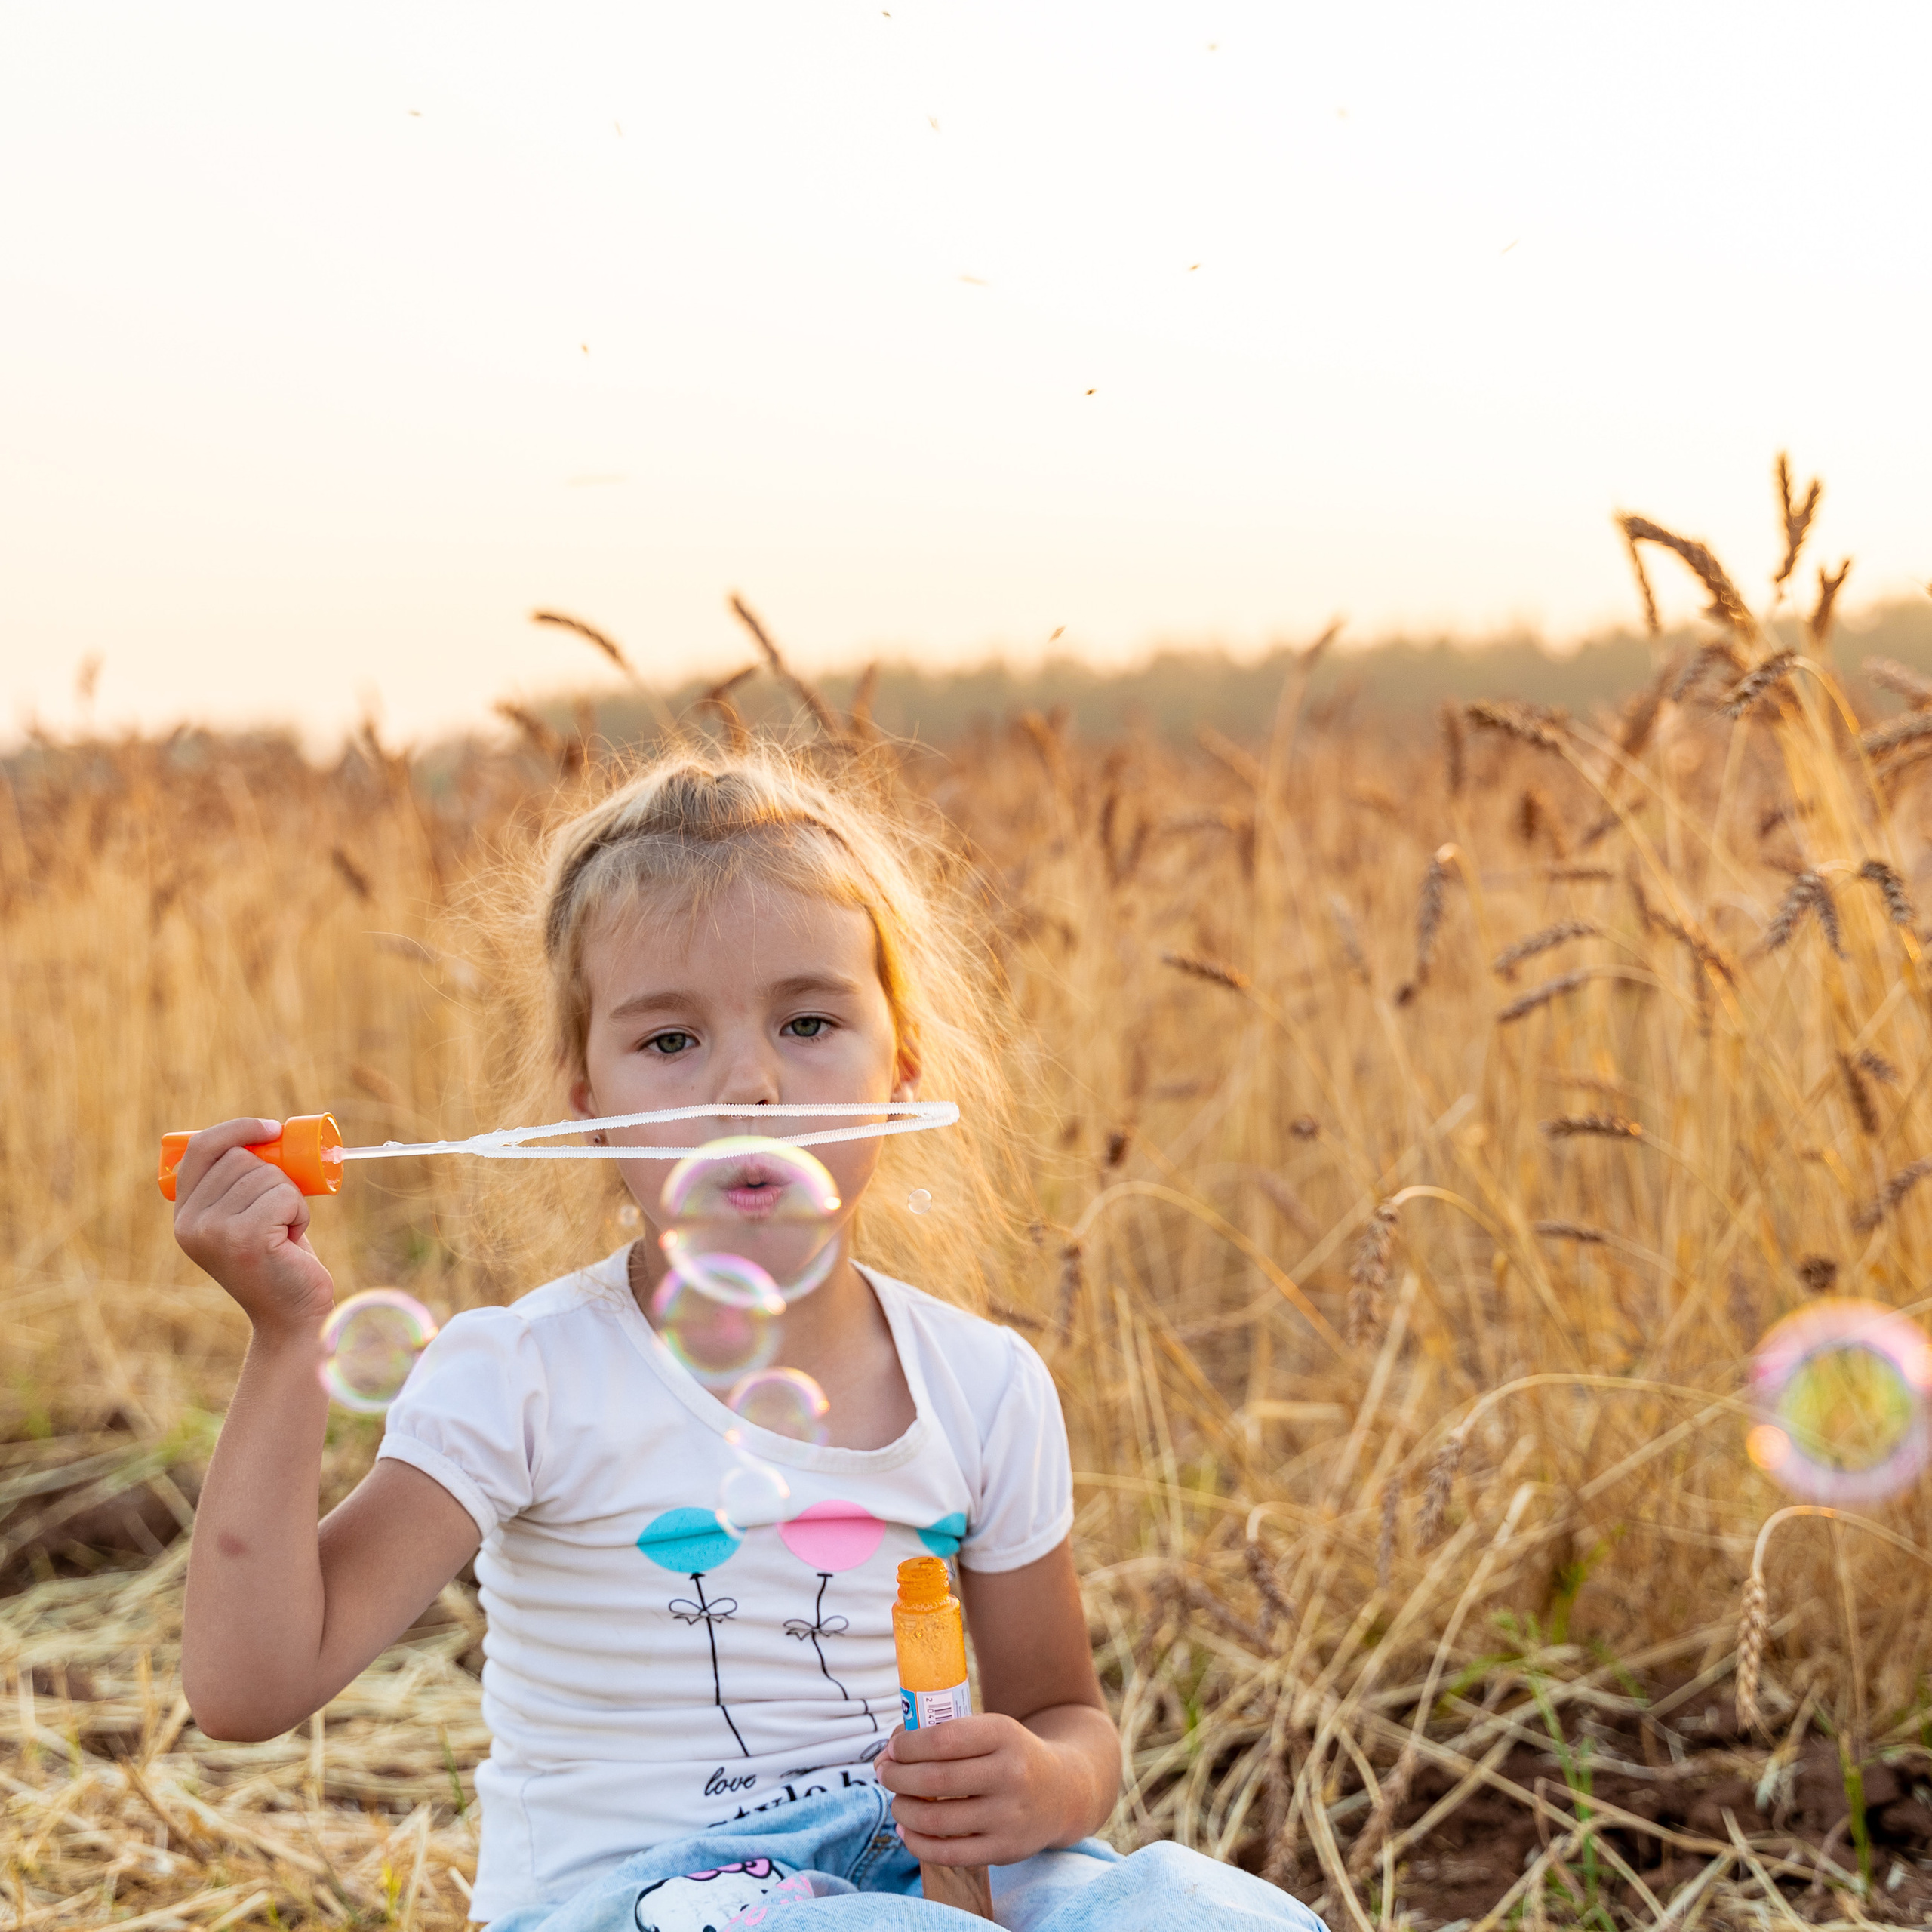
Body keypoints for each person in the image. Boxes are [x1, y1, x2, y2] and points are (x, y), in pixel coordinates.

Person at [171, 753, 1327, 1932]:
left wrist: (1047, 1786)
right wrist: (284, 1334)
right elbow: (249, 1688)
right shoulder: (528, 1375)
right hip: (634, 1905)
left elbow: (1062, 1710)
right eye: (670, 1043)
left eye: (810, 1021)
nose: (749, 1087)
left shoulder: (982, 1386)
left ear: (903, 1063)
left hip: (920, 1883)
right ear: (585, 1099)